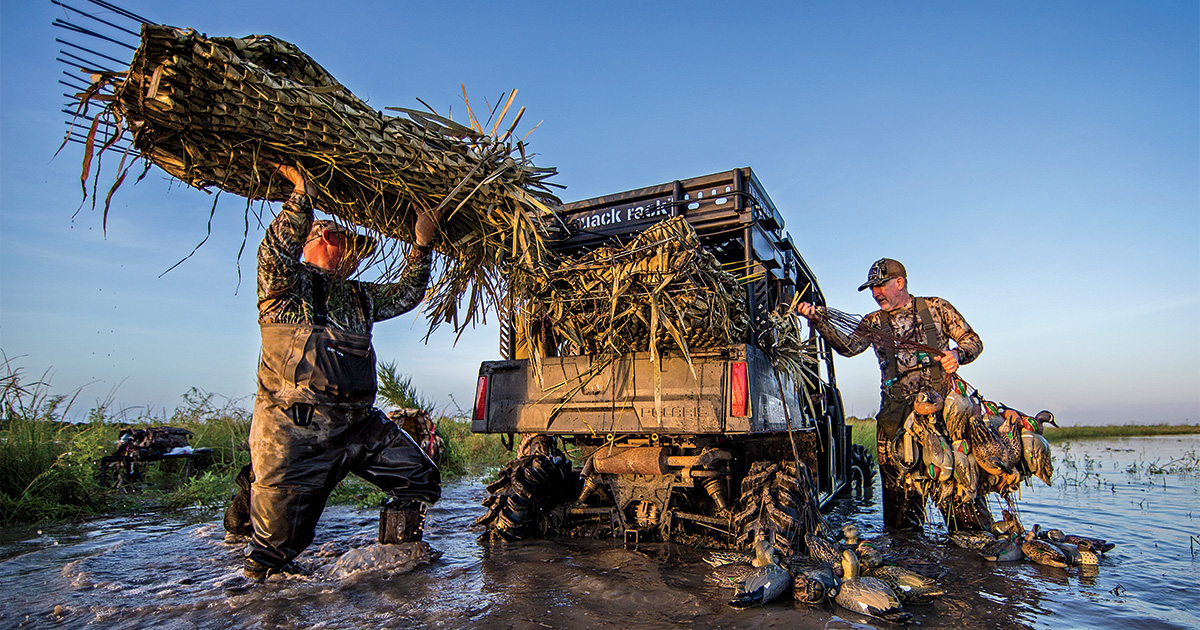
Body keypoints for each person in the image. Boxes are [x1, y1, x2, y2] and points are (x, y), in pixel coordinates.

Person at [237, 163, 442, 580]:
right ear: (326, 240)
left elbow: (406, 295)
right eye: (350, 247)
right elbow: (273, 252)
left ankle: (397, 568)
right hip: (297, 430)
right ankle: (257, 598)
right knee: (274, 549)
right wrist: (303, 197)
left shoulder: (359, 296)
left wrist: (422, 245)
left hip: (359, 426)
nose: (355, 258)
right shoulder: (286, 287)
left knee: (419, 478)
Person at [795, 258, 986, 531]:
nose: (875, 293)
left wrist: (958, 354)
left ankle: (972, 554)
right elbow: (848, 347)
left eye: (880, 286)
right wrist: (817, 320)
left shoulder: (936, 307)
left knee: (960, 494)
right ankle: (905, 555)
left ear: (900, 282)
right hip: (895, 416)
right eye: (872, 289)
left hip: (944, 413)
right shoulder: (872, 321)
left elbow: (973, 341)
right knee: (900, 503)